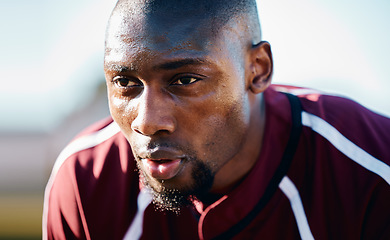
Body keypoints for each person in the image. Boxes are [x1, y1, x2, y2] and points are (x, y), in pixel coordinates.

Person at [43, 0, 390, 239]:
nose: (147, 122)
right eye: (125, 83)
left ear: (258, 69)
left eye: (185, 80)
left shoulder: (370, 167)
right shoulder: (87, 180)